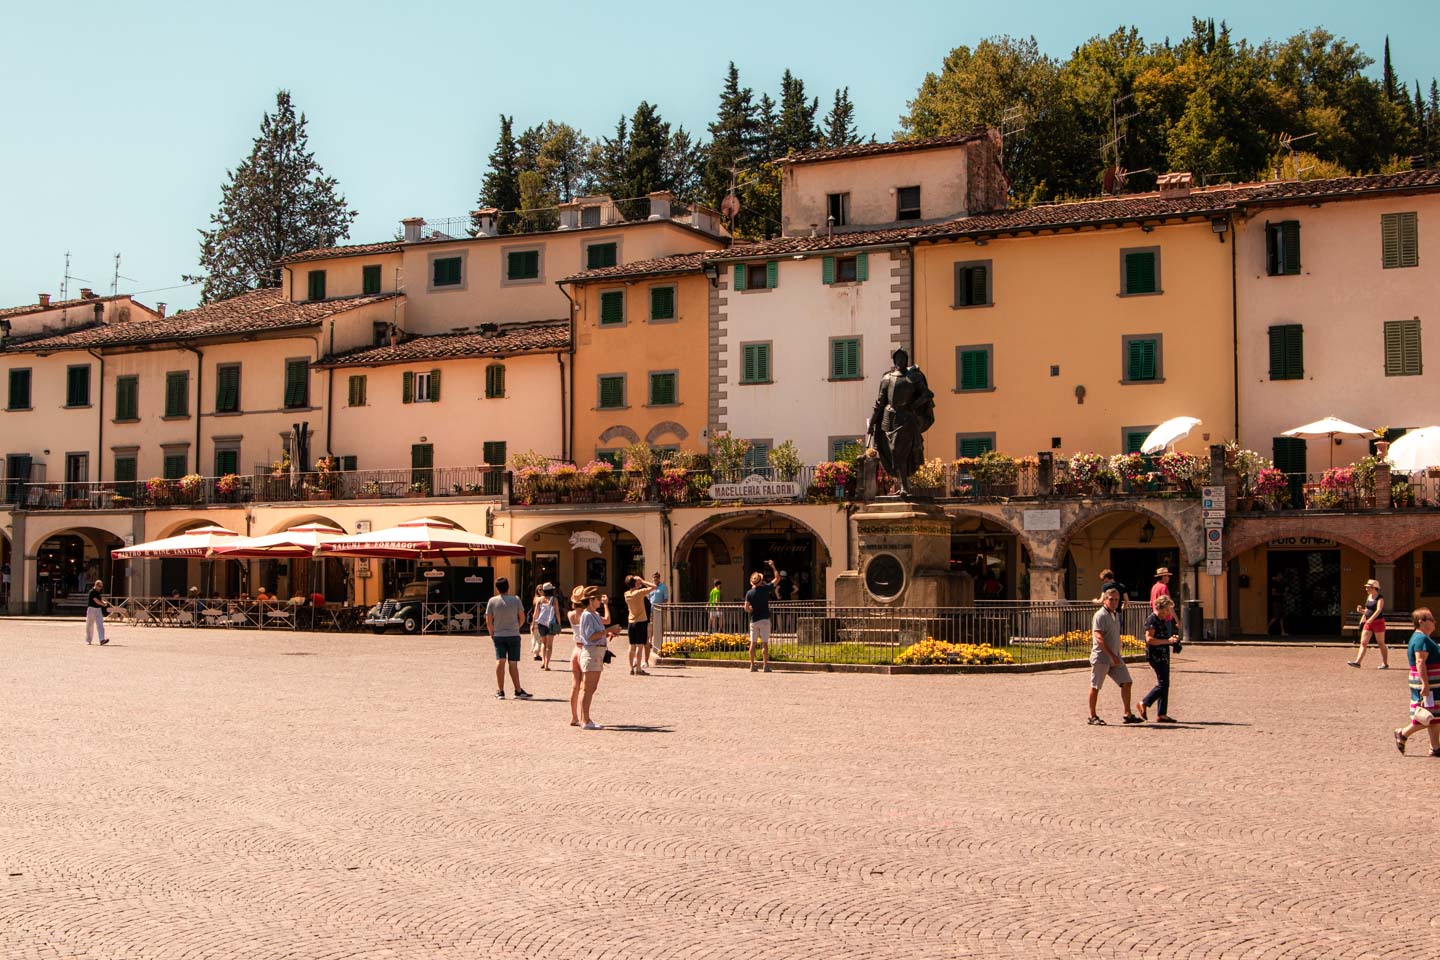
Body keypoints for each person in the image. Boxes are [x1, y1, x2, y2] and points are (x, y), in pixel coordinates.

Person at [866, 347, 936, 498]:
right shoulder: (886, 379)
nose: (900, 361)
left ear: (906, 360)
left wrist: (913, 406)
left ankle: (904, 486)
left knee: (899, 451)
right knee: (891, 452)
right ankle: (901, 484)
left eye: (902, 358)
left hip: (906, 419)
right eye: (897, 358)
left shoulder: (913, 377)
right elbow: (879, 403)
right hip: (888, 419)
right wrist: (872, 424)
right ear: (894, 360)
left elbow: (927, 394)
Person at [569, 585, 621, 729]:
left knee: (591, 687)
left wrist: (608, 633)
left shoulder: (594, 615)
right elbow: (589, 636)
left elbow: (597, 633)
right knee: (587, 687)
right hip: (591, 653)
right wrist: (608, 630)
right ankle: (585, 720)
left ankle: (584, 718)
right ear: (591, 600)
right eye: (598, 599)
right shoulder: (586, 615)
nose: (600, 601)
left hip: (597, 652)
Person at [1088, 587, 1139, 724]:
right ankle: (1092, 716)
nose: (1114, 602)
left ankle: (1127, 714)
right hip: (1102, 658)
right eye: (1111, 599)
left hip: (1115, 657)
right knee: (1096, 686)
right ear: (1105, 600)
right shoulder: (1100, 615)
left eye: (1117, 600)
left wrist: (1117, 653)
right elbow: (1099, 638)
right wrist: (1111, 655)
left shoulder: (1116, 615)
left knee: (1127, 682)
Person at [1394, 608, 1440, 756]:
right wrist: (1425, 685)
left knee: (1434, 715)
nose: (1434, 622)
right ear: (1421, 622)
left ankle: (1435, 747)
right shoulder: (1421, 639)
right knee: (1428, 715)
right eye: (1431, 619)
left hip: (1432, 682)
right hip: (1429, 683)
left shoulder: (1423, 638)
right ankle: (1403, 733)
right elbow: (1420, 662)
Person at [1137, 595, 1182, 723]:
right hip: (1155, 655)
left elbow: (1163, 637)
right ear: (1160, 608)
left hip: (1163, 654)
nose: (1168, 613)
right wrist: (1167, 641)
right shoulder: (1152, 620)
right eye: (1167, 610)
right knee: (1163, 683)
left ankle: (1162, 713)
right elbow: (1149, 639)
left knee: (1165, 683)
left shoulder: (1161, 620)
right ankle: (1144, 702)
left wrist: (1172, 640)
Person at [485, 577, 531, 700]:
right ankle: (518, 690)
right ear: (508, 586)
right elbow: (522, 617)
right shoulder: (516, 599)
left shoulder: (492, 601)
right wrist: (517, 627)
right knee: (513, 663)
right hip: (514, 635)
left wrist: (492, 633)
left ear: (497, 588)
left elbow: (488, 621)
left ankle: (500, 691)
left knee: (500, 661)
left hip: (499, 635)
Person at [1348, 579, 1390, 669]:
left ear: (1374, 588)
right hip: (1368, 622)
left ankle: (1385, 663)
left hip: (1378, 622)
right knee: (1363, 642)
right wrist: (1361, 611)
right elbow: (1368, 610)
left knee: (1381, 643)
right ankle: (1357, 662)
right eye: (1366, 587)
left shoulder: (1380, 598)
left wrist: (1371, 619)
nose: (1366, 589)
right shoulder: (1369, 597)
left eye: (1368, 587)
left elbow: (1379, 610)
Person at [744, 568, 777, 673]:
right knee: (764, 644)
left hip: (754, 620)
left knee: (752, 643)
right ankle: (765, 666)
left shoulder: (749, 593)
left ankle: (752, 665)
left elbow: (746, 608)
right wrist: (773, 566)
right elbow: (777, 578)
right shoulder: (765, 589)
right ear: (761, 581)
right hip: (765, 620)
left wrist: (751, 610)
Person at [623, 575, 656, 676]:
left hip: (631, 622)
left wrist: (636, 583)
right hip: (640, 621)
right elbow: (654, 586)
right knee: (640, 646)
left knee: (631, 646)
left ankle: (631, 668)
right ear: (635, 583)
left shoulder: (626, 594)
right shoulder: (639, 593)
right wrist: (642, 581)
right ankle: (638, 669)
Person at [531, 583, 560, 670]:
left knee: (543, 643)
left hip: (541, 623)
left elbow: (535, 613)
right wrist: (559, 623)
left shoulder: (540, 599)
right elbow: (557, 612)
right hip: (551, 623)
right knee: (549, 646)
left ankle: (543, 661)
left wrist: (533, 623)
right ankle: (547, 665)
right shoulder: (554, 599)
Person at [646, 571, 669, 668]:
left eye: (657, 578)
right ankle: (650, 641)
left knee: (659, 626)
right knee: (650, 625)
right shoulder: (650, 587)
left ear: (659, 578)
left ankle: (658, 642)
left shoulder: (663, 587)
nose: (655, 579)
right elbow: (648, 598)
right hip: (651, 609)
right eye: (654, 578)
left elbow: (666, 598)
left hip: (659, 609)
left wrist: (661, 606)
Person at [85, 579, 110, 646]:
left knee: (100, 625)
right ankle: (88, 640)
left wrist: (103, 602)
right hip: (91, 609)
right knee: (90, 625)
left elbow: (99, 599)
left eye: (101, 586)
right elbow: (96, 600)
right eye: (99, 586)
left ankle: (102, 640)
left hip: (98, 609)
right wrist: (103, 604)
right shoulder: (92, 592)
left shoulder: (98, 592)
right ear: (96, 585)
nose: (100, 588)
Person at [529, 584, 546, 661]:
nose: (541, 591)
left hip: (539, 620)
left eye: (542, 589)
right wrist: (533, 622)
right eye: (539, 589)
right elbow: (535, 612)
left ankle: (536, 654)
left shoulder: (537, 598)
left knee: (537, 638)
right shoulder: (538, 599)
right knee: (538, 638)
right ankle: (536, 654)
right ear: (537, 591)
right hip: (537, 620)